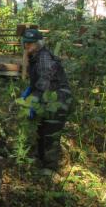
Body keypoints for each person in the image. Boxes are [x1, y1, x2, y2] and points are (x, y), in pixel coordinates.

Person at [20, 29, 72, 170]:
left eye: (30, 44)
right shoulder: (35, 56)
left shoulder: (44, 58)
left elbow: (45, 83)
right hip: (48, 100)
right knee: (41, 132)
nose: (27, 47)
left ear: (38, 44)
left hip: (58, 100)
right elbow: (37, 81)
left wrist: (33, 101)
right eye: (26, 44)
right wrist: (29, 90)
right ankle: (41, 165)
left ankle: (50, 170)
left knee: (50, 136)